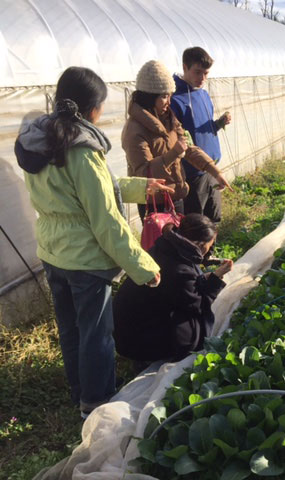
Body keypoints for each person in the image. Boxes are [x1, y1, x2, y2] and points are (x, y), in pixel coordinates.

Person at [14, 67, 171, 418]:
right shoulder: (82, 151)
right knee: (96, 335)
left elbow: (88, 190)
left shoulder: (40, 140)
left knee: (70, 328)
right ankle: (97, 404)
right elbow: (105, 222)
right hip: (86, 260)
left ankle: (78, 391)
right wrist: (144, 267)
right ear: (92, 110)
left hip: (53, 253)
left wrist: (142, 186)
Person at [113, 214, 232, 362]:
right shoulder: (179, 269)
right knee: (196, 326)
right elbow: (199, 304)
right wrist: (215, 278)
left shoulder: (165, 247)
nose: (208, 252)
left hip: (127, 331)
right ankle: (151, 358)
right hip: (139, 342)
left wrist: (206, 277)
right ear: (200, 246)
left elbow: (179, 289)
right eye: (209, 247)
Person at [122, 60, 231, 221]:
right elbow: (144, 173)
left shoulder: (168, 119)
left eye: (170, 96)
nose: (169, 102)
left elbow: (189, 148)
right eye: (165, 96)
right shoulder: (134, 129)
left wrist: (215, 172)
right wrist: (174, 153)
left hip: (176, 196)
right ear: (149, 97)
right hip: (155, 203)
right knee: (163, 246)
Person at [171, 47, 231, 224]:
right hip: (192, 173)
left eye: (206, 73)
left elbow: (202, 128)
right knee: (197, 222)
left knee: (214, 217)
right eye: (197, 72)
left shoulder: (203, 94)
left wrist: (218, 124)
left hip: (211, 168)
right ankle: (198, 252)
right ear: (184, 67)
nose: (202, 78)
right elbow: (181, 140)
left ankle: (210, 251)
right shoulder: (176, 100)